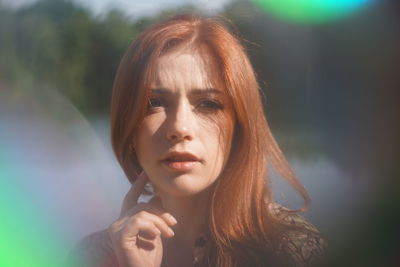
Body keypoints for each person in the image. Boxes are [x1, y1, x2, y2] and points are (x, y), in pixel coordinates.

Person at [68, 14, 325, 267]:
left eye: (208, 104)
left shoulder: (290, 249)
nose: (180, 128)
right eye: (154, 103)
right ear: (130, 129)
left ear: (240, 127)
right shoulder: (93, 257)